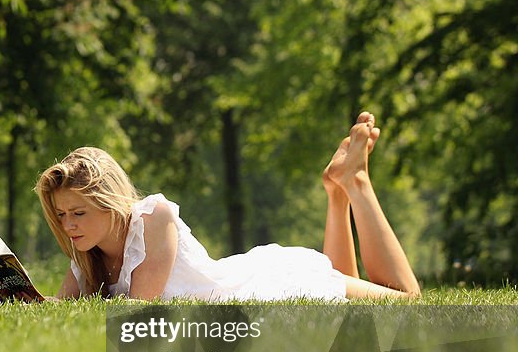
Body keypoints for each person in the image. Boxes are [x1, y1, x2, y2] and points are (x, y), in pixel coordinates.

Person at [35, 112, 421, 301]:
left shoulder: (155, 216)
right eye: (62, 214)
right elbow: (65, 311)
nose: (68, 225)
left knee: (406, 302)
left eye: (79, 213)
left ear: (110, 203)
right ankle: (336, 194)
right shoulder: (86, 254)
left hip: (266, 287)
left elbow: (138, 309)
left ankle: (356, 182)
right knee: (353, 299)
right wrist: (20, 295)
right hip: (247, 278)